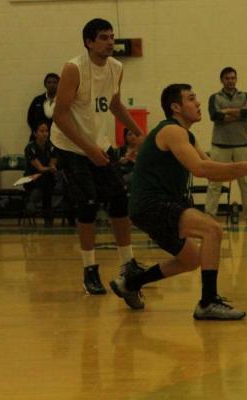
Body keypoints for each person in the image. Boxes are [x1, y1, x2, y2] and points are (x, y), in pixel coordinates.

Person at [109, 83, 247, 320]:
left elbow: (211, 171)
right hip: (152, 204)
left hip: (156, 206)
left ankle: (131, 283)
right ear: (175, 107)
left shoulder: (187, 135)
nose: (197, 103)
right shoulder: (171, 131)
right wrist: (245, 166)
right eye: (191, 99)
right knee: (212, 230)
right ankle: (208, 302)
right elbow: (199, 168)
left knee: (191, 259)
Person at [51, 18, 146, 295]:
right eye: (103, 37)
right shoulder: (74, 68)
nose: (110, 42)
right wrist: (89, 150)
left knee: (119, 200)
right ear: (89, 42)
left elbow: (115, 104)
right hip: (71, 146)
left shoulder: (116, 68)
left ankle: (128, 263)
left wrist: (140, 133)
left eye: (111, 36)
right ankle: (90, 269)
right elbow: (59, 115)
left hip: (99, 144)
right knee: (88, 205)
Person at [204, 67, 247, 224]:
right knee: (215, 183)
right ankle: (209, 216)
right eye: (227, 78)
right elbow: (214, 116)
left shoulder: (245, 96)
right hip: (219, 145)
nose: (230, 81)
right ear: (222, 80)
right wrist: (238, 114)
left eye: (233, 78)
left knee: (246, 182)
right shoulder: (214, 97)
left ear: (236, 79)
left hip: (242, 144)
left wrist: (228, 111)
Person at [24, 120, 57, 226]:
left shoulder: (52, 147)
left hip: (45, 179)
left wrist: (50, 168)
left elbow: (52, 165)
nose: (45, 133)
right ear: (35, 133)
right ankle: (48, 219)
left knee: (46, 180)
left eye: (46, 131)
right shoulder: (30, 148)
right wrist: (48, 169)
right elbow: (40, 167)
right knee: (46, 181)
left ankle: (33, 201)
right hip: (31, 178)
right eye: (41, 131)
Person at [27, 73, 59, 141]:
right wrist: (37, 132)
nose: (51, 85)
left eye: (54, 82)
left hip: (57, 138)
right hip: (39, 139)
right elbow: (30, 118)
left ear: (59, 84)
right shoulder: (37, 100)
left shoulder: (63, 101)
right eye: (49, 82)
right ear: (45, 84)